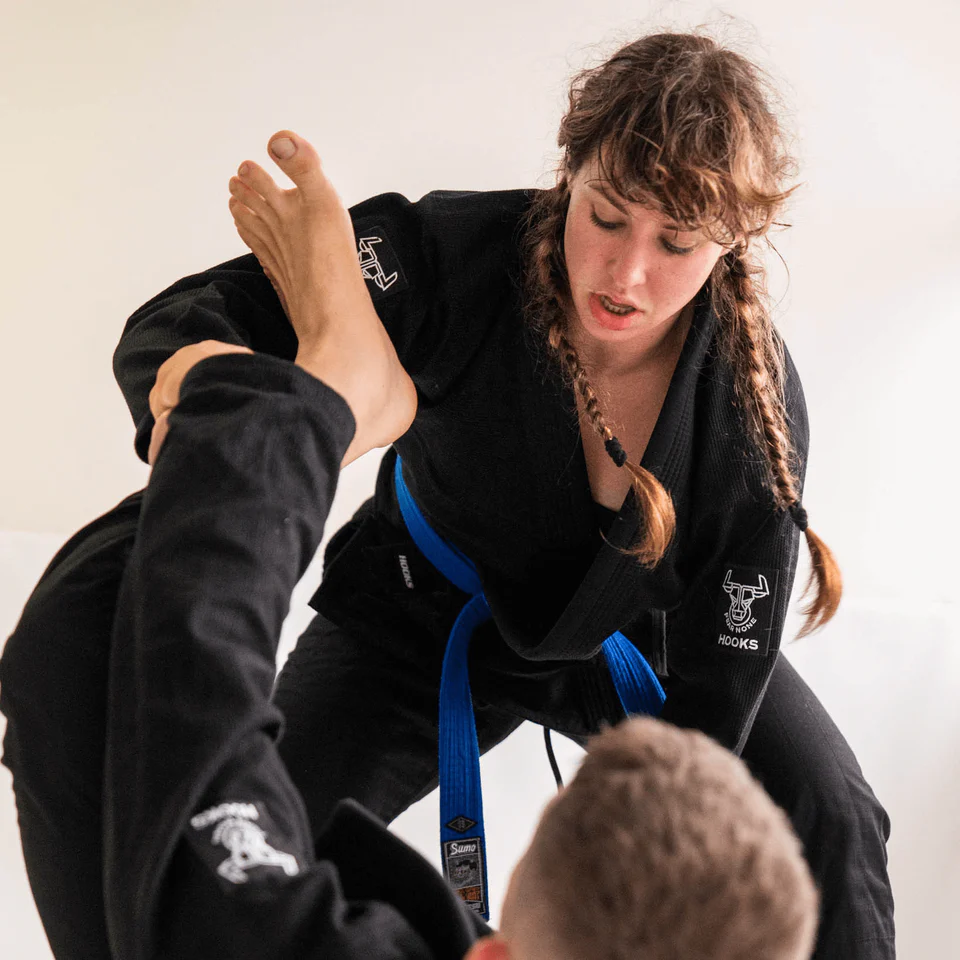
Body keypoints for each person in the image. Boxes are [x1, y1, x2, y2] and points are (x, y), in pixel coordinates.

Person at [0, 29, 894, 959]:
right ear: (569, 172)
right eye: (607, 214)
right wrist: (251, 399)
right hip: (421, 614)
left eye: (675, 243)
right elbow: (176, 322)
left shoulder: (751, 406)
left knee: (827, 812)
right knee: (257, 835)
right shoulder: (455, 255)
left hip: (645, 641)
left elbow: (712, 717)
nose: (627, 274)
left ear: (732, 241)